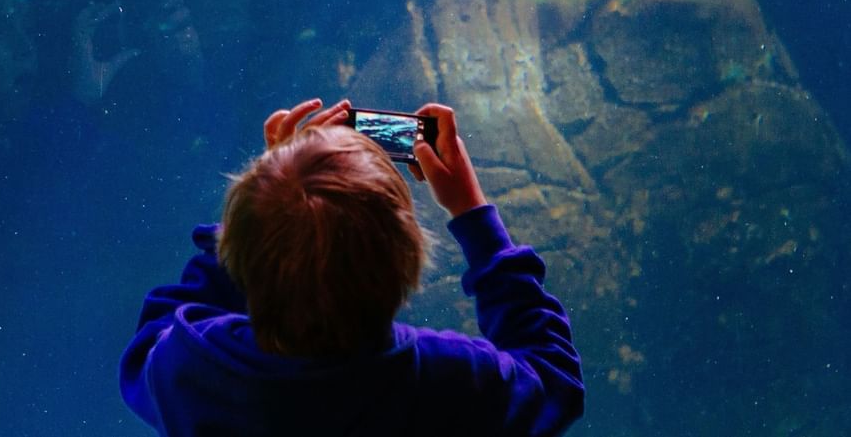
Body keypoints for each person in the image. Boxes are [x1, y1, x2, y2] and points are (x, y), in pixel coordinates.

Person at [119, 98, 585, 436]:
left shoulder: (194, 369)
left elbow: (152, 336)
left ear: (238, 252)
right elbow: (553, 380)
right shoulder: (446, 378)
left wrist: (269, 196)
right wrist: (472, 212)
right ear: (408, 261)